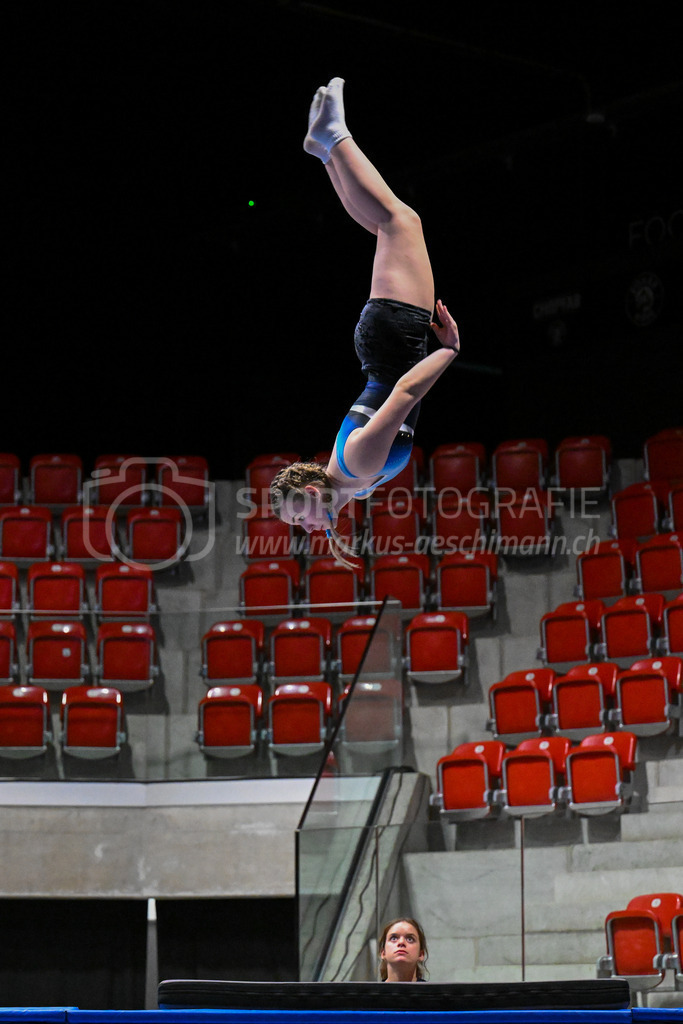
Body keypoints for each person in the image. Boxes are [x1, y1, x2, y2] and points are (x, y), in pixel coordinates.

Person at [270, 78, 460, 565]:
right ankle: (326, 150)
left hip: (396, 337)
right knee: (388, 224)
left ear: (313, 495)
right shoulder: (348, 483)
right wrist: (333, 530)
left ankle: (336, 139)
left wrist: (449, 351)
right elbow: (341, 500)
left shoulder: (357, 464)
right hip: (382, 342)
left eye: (302, 520)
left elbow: (405, 395)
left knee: (402, 220)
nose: (308, 530)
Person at [378, 917, 429, 982]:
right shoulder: (371, 992)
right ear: (383, 953)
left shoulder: (434, 992)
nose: (401, 942)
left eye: (410, 939)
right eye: (393, 938)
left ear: (421, 954)